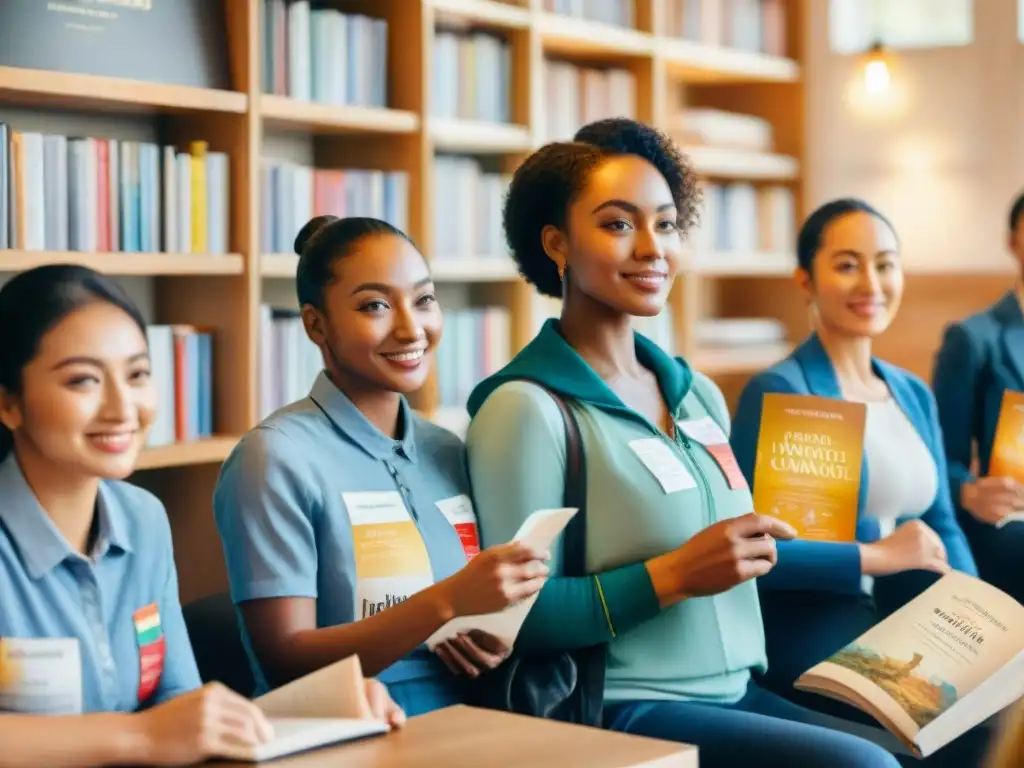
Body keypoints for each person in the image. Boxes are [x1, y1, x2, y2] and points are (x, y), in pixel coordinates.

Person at [465, 118, 902, 768]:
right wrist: (674, 575)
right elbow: (515, 618)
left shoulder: (696, 393)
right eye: (618, 225)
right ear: (556, 243)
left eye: (666, 224)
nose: (652, 248)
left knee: (918, 748)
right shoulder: (524, 408)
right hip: (619, 706)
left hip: (737, 690)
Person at [0, 263, 405, 768]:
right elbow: (154, 732)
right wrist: (140, 738)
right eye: (82, 381)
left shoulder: (142, 520)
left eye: (137, 375)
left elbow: (178, 704)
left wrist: (332, 707)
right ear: (8, 403)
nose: (122, 407)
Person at [212, 216, 550, 718]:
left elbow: (462, 609)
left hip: (468, 724)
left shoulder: (448, 450)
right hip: (339, 732)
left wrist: (485, 637)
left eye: (424, 299)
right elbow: (284, 661)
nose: (411, 328)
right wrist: (446, 603)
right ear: (315, 324)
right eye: (375, 305)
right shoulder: (275, 457)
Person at [728, 198, 989, 764]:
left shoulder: (910, 391)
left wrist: (981, 619)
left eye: (885, 263)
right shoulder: (786, 390)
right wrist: (878, 555)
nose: (870, 282)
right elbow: (766, 556)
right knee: (952, 728)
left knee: (1002, 701)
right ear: (806, 280)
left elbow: (941, 520)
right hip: (823, 631)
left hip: (913, 626)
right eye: (847, 264)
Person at [932, 190, 1024, 605]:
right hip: (1010, 522)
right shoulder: (973, 339)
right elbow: (939, 460)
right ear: (1012, 242)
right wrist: (968, 491)